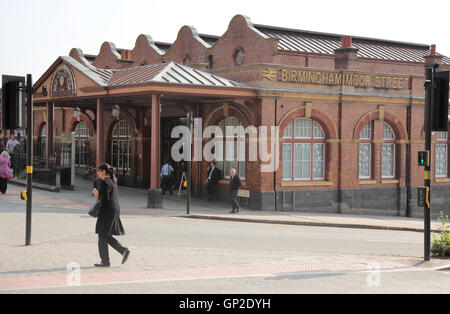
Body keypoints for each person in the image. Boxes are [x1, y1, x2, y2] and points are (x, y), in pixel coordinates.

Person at [92, 163, 130, 267]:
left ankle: (106, 261)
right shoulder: (112, 181)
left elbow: (104, 199)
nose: (98, 173)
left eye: (99, 171)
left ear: (104, 171)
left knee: (102, 234)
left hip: (107, 212)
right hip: (113, 211)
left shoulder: (105, 182)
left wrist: (96, 195)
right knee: (104, 235)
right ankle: (121, 252)